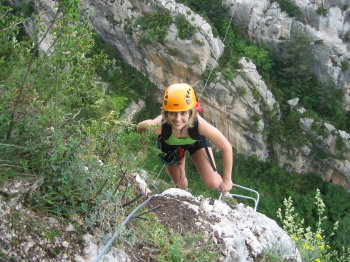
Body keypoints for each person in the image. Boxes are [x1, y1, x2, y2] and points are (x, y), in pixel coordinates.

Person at [137, 83, 233, 193]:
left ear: (191, 112)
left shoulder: (200, 125)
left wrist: (227, 179)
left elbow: (226, 147)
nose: (178, 119)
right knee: (180, 184)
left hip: (195, 138)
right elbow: (141, 127)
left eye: (183, 113)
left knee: (213, 182)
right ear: (166, 113)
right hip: (170, 145)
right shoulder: (159, 126)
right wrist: (142, 148)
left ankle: (225, 192)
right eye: (173, 113)